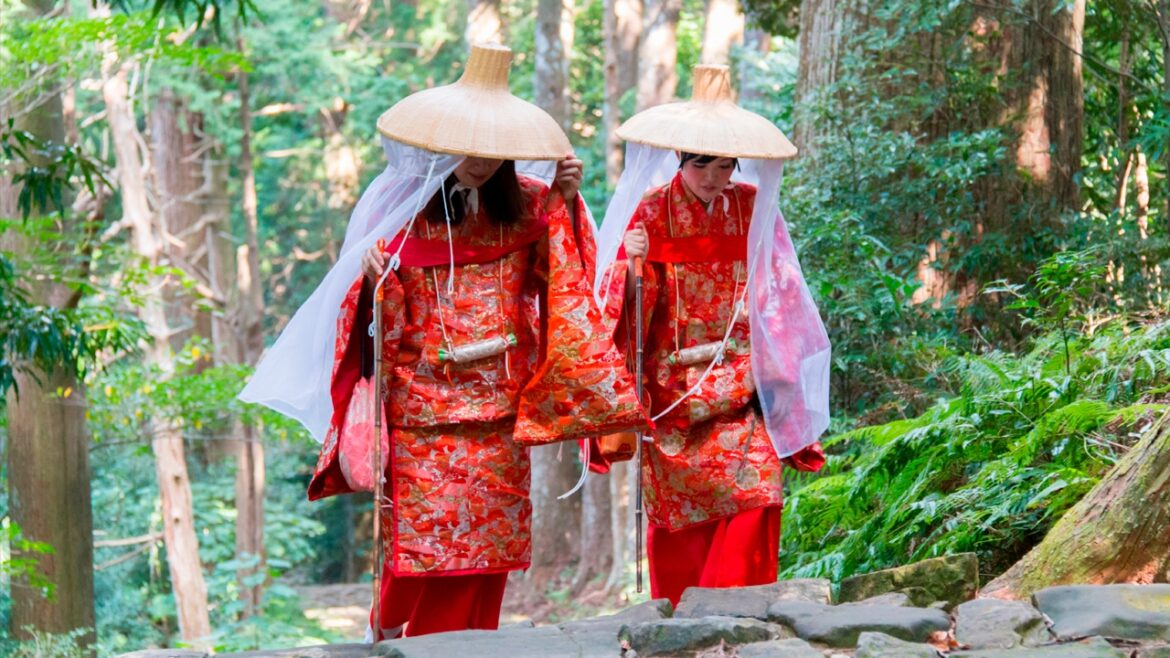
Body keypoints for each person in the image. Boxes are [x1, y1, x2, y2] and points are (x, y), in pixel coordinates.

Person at [241, 43, 643, 640]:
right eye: (468, 146)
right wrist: (375, 284)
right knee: (425, 545)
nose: (479, 161)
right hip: (424, 416)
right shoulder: (402, 210)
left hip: (500, 415)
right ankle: (402, 643)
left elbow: (564, 284)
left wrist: (563, 204)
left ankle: (471, 648)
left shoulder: (532, 203)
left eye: (491, 148)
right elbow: (372, 320)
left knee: (488, 551)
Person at [591, 65, 832, 607]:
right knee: (683, 522)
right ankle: (688, 621)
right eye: (702, 164)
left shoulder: (752, 205)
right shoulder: (650, 211)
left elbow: (779, 288)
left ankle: (741, 617)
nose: (713, 177)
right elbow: (622, 311)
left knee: (758, 497)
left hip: (743, 392)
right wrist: (633, 270)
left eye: (725, 165)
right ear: (681, 158)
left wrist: (782, 370)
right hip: (673, 395)